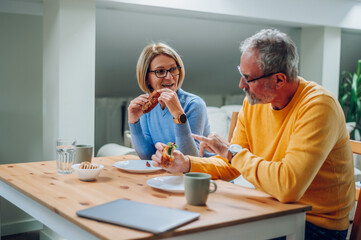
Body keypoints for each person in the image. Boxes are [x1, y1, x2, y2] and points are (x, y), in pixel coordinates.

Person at [152, 29, 355, 240]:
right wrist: (186, 163)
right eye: (241, 74)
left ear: (279, 80)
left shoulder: (318, 106)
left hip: (316, 224)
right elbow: (233, 165)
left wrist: (231, 152)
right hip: (269, 209)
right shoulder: (255, 102)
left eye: (248, 78)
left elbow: (288, 187)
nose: (241, 85)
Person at [128, 42, 213, 160]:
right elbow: (147, 157)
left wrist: (178, 114)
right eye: (160, 71)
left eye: (173, 69)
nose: (169, 77)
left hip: (205, 175)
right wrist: (133, 121)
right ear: (147, 78)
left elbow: (191, 159)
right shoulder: (147, 106)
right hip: (169, 174)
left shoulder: (194, 104)